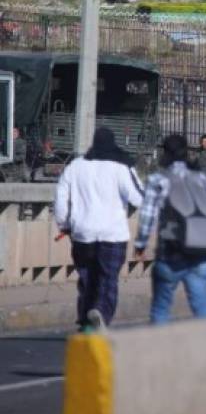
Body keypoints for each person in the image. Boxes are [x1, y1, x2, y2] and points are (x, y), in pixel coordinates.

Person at [54, 127, 144, 331]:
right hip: (112, 234)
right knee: (107, 277)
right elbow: (138, 197)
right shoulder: (120, 166)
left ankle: (85, 319)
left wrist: (64, 225)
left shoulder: (75, 166)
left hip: (82, 233)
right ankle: (101, 312)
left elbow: (60, 200)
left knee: (86, 277)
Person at [134, 134, 206, 324]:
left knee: (161, 308)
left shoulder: (158, 179)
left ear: (165, 152)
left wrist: (140, 244)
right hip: (200, 252)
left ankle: (161, 350)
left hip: (171, 252)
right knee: (202, 309)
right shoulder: (200, 177)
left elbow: (148, 215)